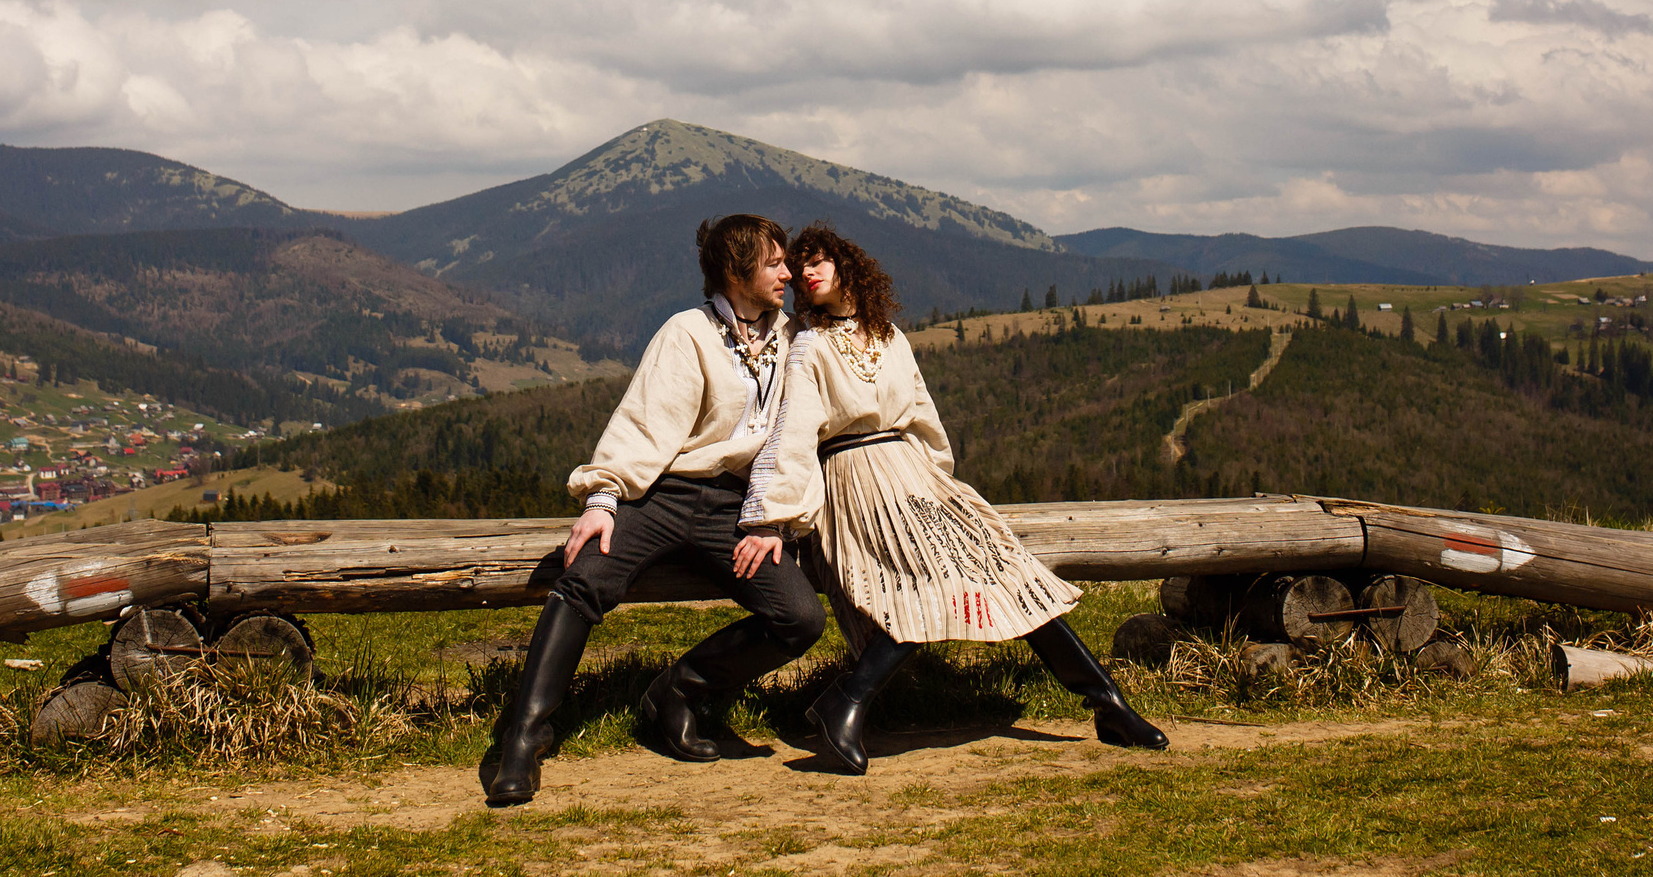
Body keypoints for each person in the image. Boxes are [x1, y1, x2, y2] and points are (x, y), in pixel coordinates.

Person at [731, 222, 1167, 774]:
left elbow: (923, 417)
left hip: (914, 477)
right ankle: (847, 701)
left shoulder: (889, 336)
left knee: (1010, 573)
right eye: (801, 267)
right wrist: (772, 517)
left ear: (846, 265)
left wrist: (942, 484)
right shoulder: (808, 344)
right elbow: (794, 431)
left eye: (818, 261)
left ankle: (1108, 705)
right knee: (921, 589)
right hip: (857, 477)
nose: (808, 274)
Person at [485, 213, 829, 806]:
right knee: (585, 577)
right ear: (733, 271)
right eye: (773, 262)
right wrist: (604, 498)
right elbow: (645, 422)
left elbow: (798, 436)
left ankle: (677, 692)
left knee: (800, 617)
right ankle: (523, 737)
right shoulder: (687, 332)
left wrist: (775, 515)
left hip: (738, 507)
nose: (787, 271)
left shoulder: (797, 338)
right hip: (663, 495)